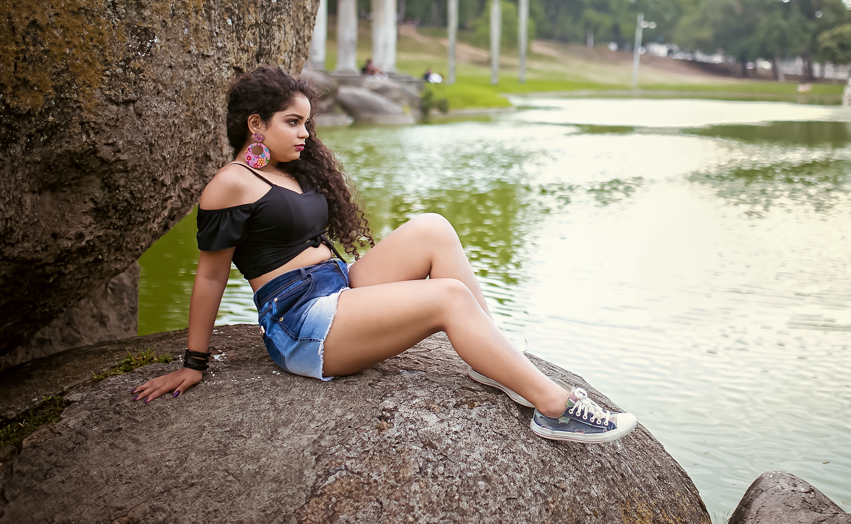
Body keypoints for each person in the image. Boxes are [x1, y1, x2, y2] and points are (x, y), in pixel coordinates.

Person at [133, 67, 635, 443]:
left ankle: (493, 353)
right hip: (301, 322)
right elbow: (210, 278)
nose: (307, 133)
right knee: (448, 298)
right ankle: (554, 407)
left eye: (307, 121)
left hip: (336, 289)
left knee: (433, 228)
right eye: (294, 122)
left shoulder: (288, 171)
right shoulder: (230, 183)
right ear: (255, 125)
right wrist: (194, 363)